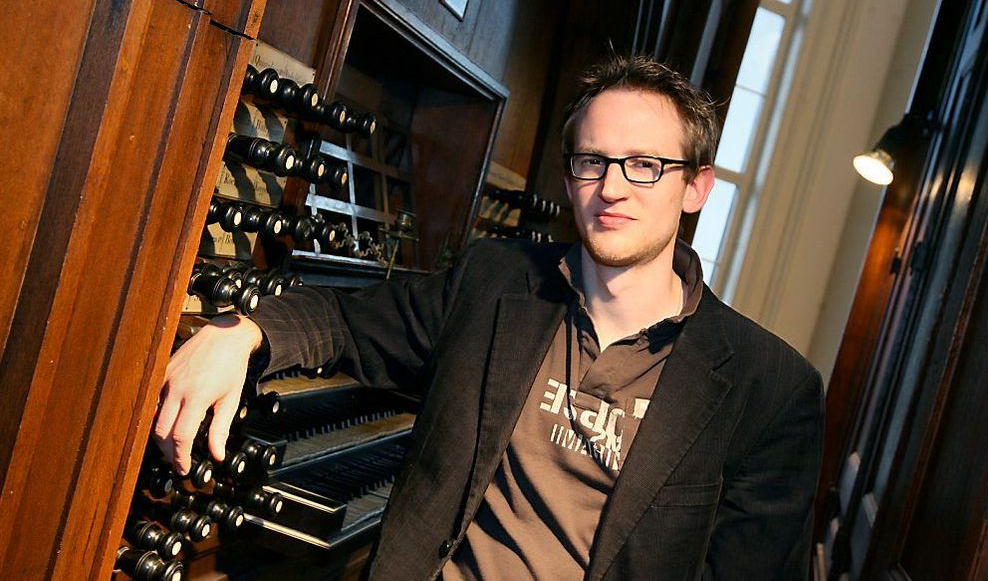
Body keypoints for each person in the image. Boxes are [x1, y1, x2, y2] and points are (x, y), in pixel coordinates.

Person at [155, 55, 824, 580]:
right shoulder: (496, 282)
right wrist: (243, 331)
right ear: (569, 179)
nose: (612, 187)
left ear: (695, 187)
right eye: (592, 162)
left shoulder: (770, 388)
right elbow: (346, 318)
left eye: (645, 166)